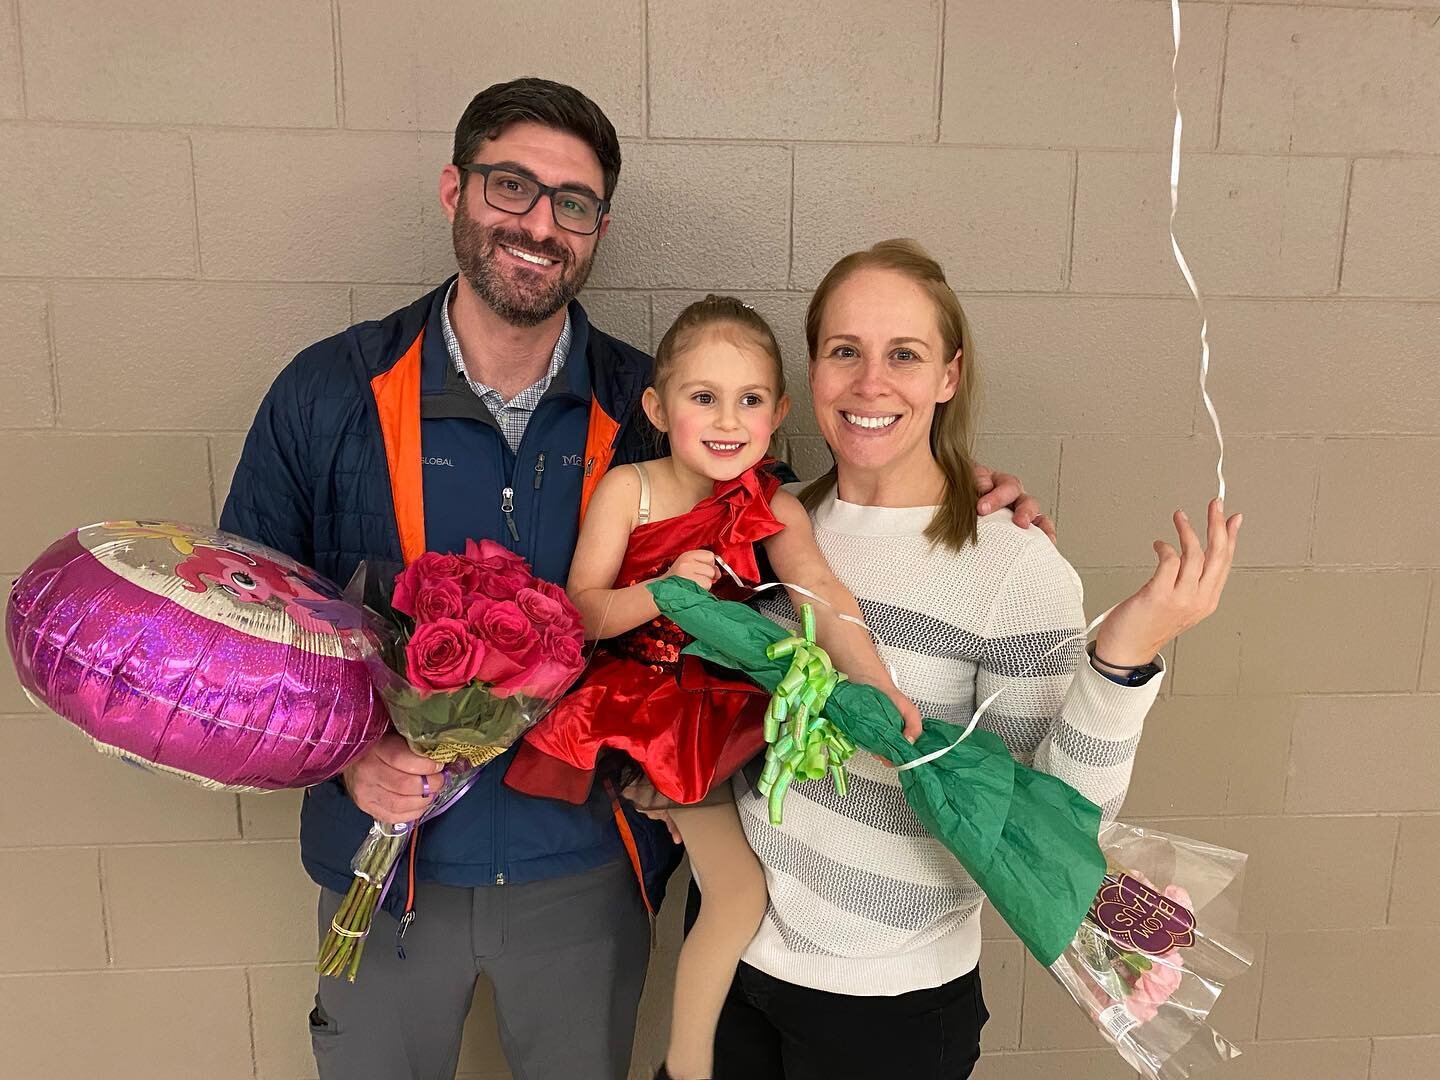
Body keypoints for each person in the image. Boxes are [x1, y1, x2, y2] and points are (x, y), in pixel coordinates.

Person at [218, 77, 1043, 1080]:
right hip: (386, 873)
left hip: (590, 870)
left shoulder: (657, 401)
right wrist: (351, 759)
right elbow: (248, 642)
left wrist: (957, 490)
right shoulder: (328, 393)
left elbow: (790, 528)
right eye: (509, 185)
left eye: (571, 203)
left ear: (598, 227)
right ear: (453, 191)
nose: (537, 223)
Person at [700, 240, 1242, 1080]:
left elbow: (1059, 816)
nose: (870, 382)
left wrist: (1125, 655)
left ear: (948, 376)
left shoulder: (1011, 566)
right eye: (845, 350)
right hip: (738, 961)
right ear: (813, 369)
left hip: (887, 1014)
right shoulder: (776, 522)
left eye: (904, 356)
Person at [506, 296, 923, 1080]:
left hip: (732, 706)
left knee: (746, 888)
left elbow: (820, 590)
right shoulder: (628, 489)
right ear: (660, 409)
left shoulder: (775, 501)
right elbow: (579, 611)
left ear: (779, 411)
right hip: (653, 706)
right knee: (736, 898)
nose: (728, 420)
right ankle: (687, 1069)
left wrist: (875, 680)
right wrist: (661, 592)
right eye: (704, 398)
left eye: (750, 400)